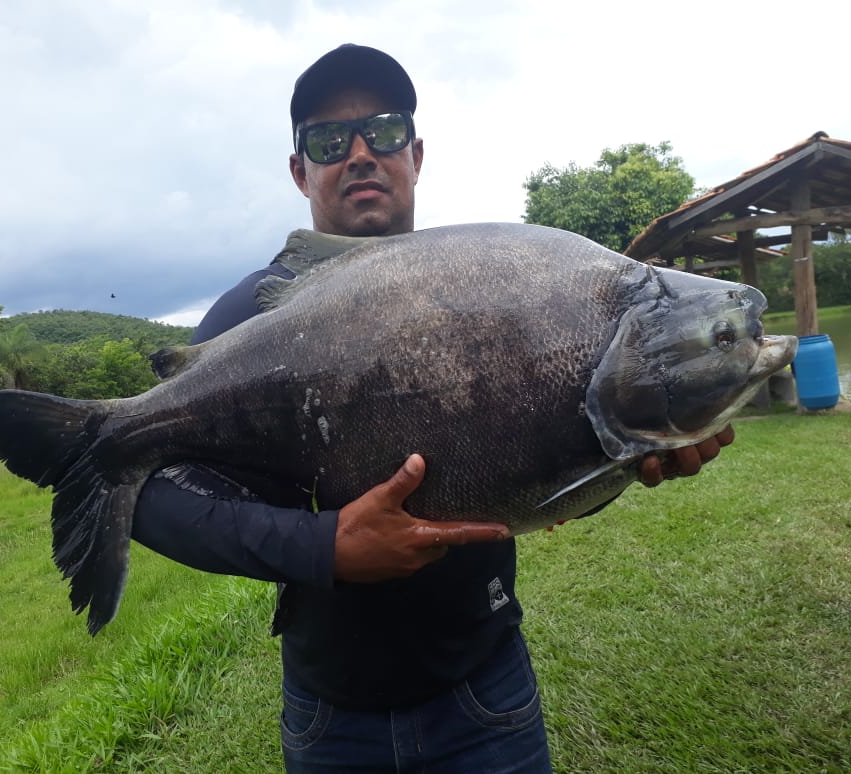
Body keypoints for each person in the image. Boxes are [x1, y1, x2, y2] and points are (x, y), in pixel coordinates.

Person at [132, 44, 733, 773]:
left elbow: (552, 469)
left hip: (485, 694)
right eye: (328, 141)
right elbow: (150, 494)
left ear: (415, 153)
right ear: (300, 171)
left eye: (383, 132)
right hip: (331, 716)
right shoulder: (251, 319)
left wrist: (639, 452)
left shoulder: (495, 286)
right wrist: (325, 549)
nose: (359, 153)